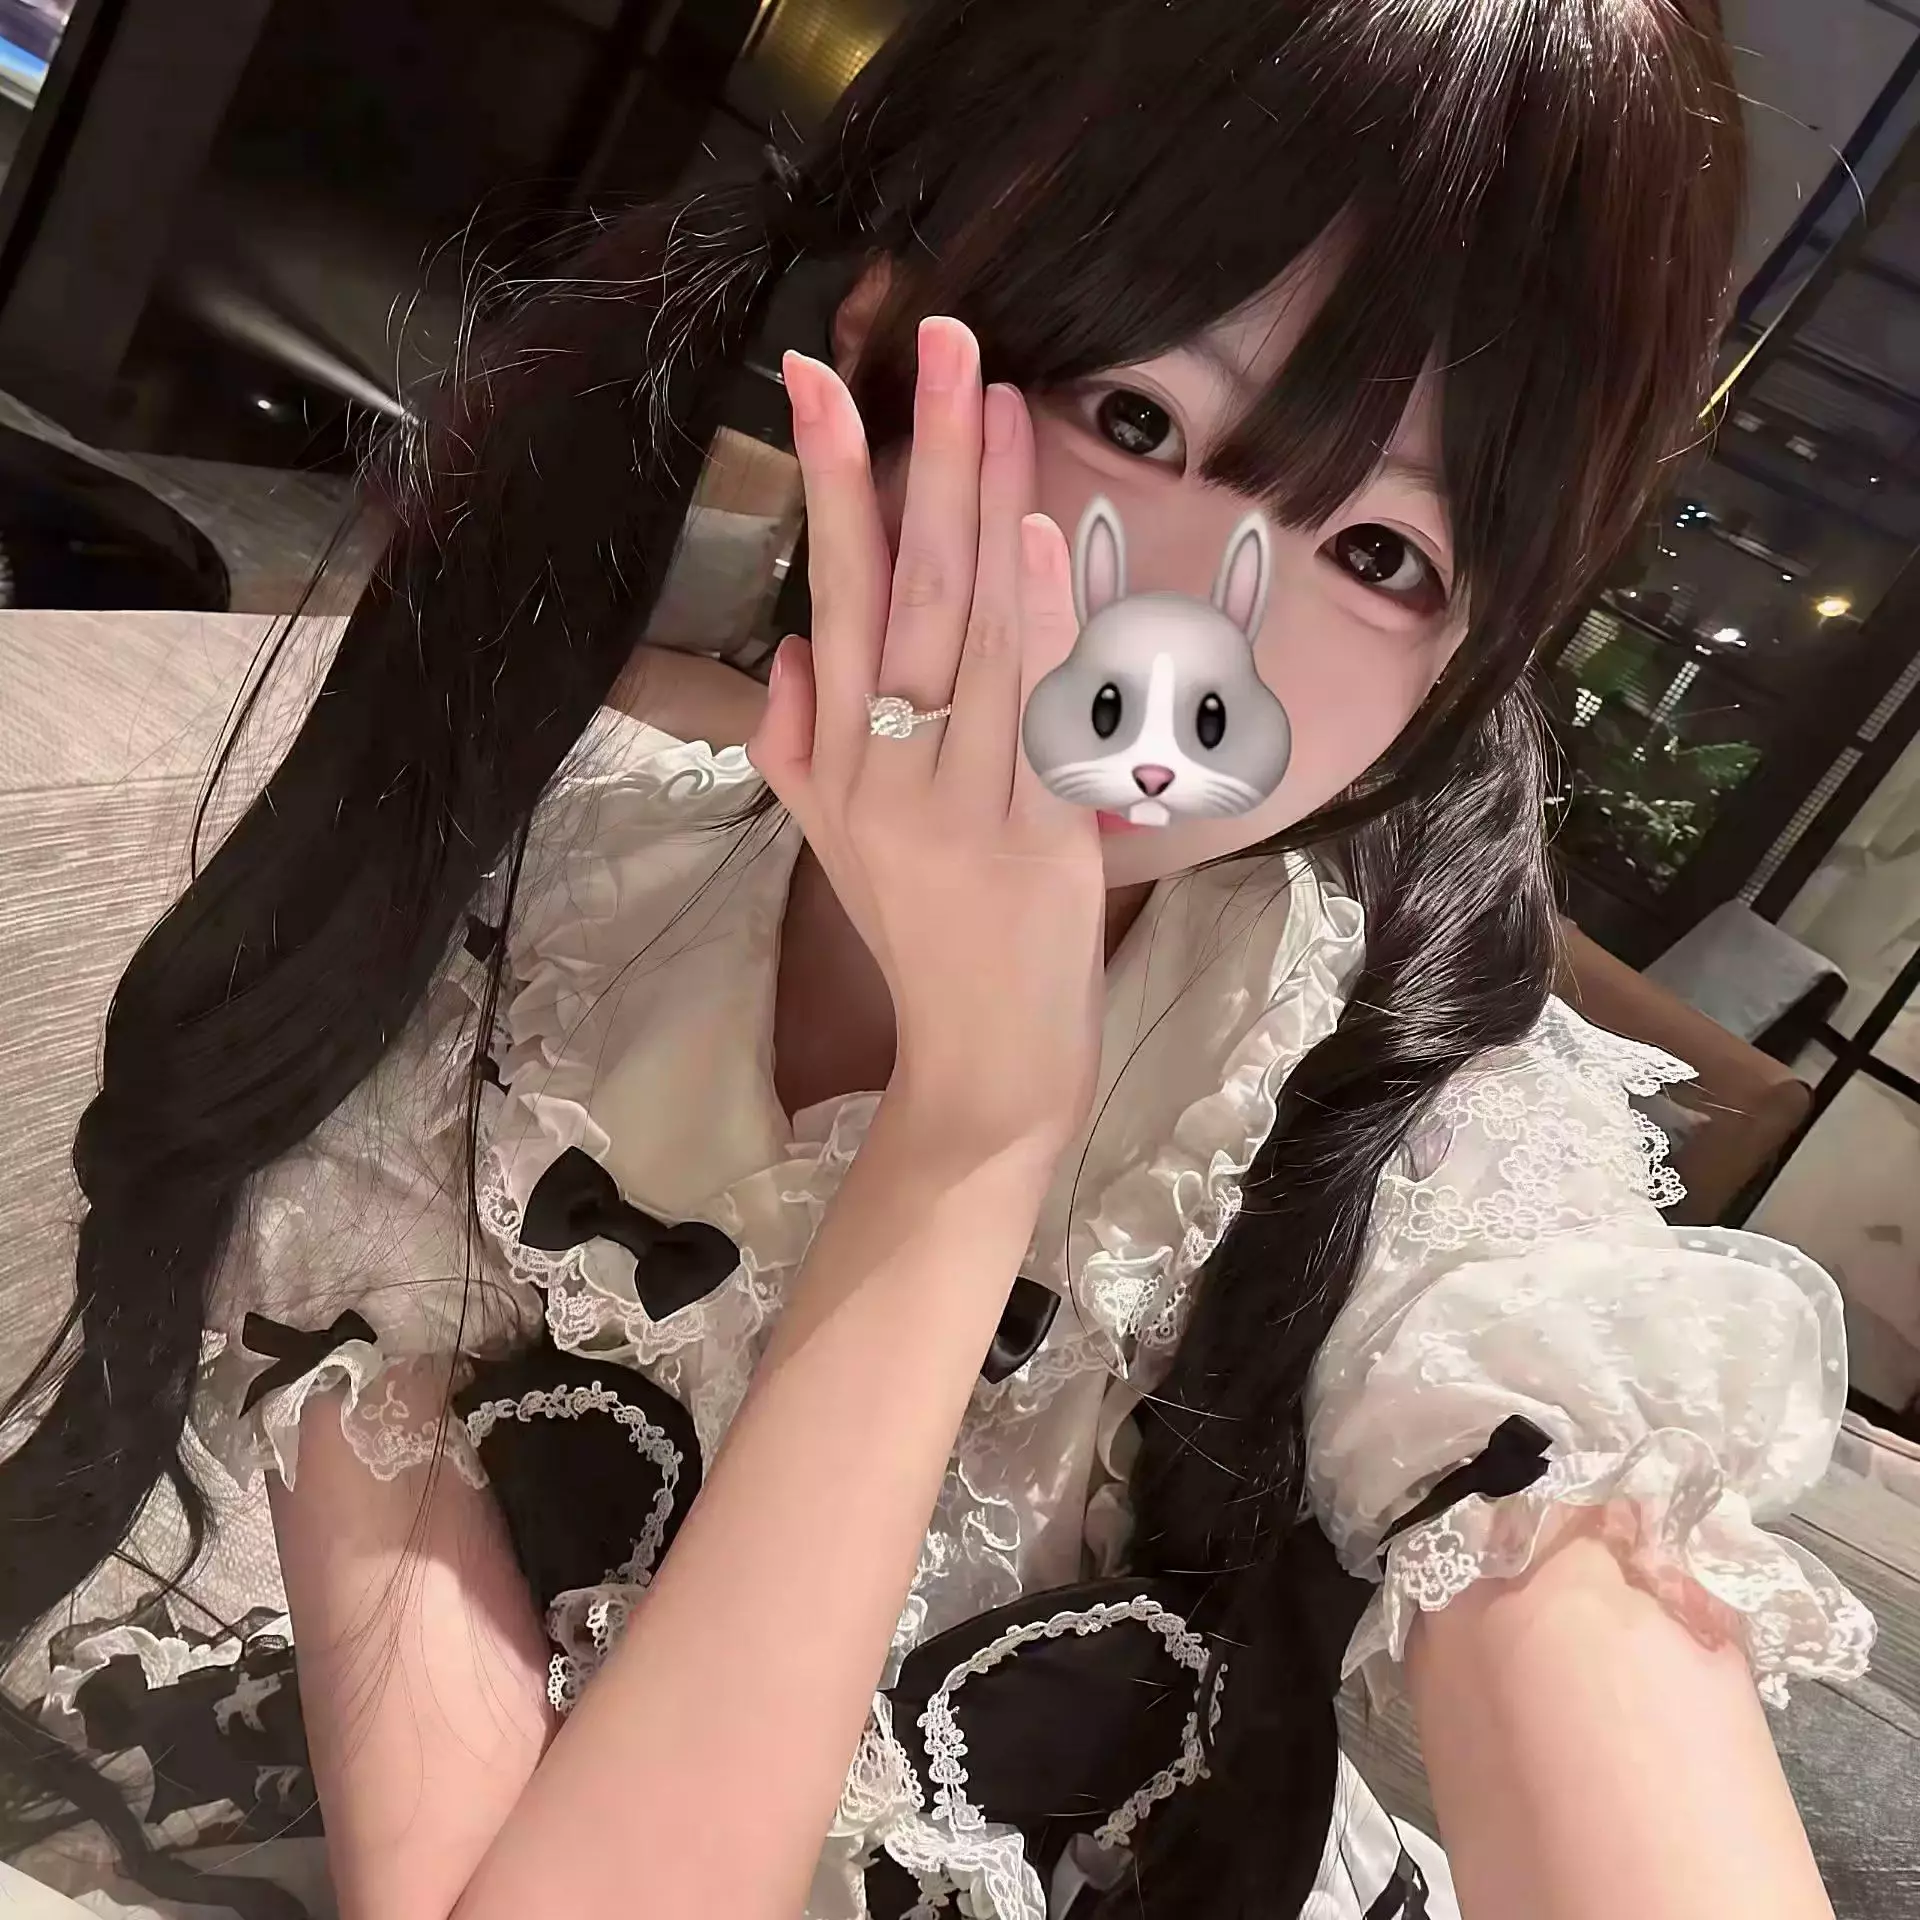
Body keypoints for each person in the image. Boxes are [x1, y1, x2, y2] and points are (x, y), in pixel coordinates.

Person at [0, 2, 1877, 1917]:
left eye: (1387, 556)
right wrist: (976, 1119)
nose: (1193, 631)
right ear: (888, 337)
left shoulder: (1416, 1149)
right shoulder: (509, 945)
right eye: (1137, 419)